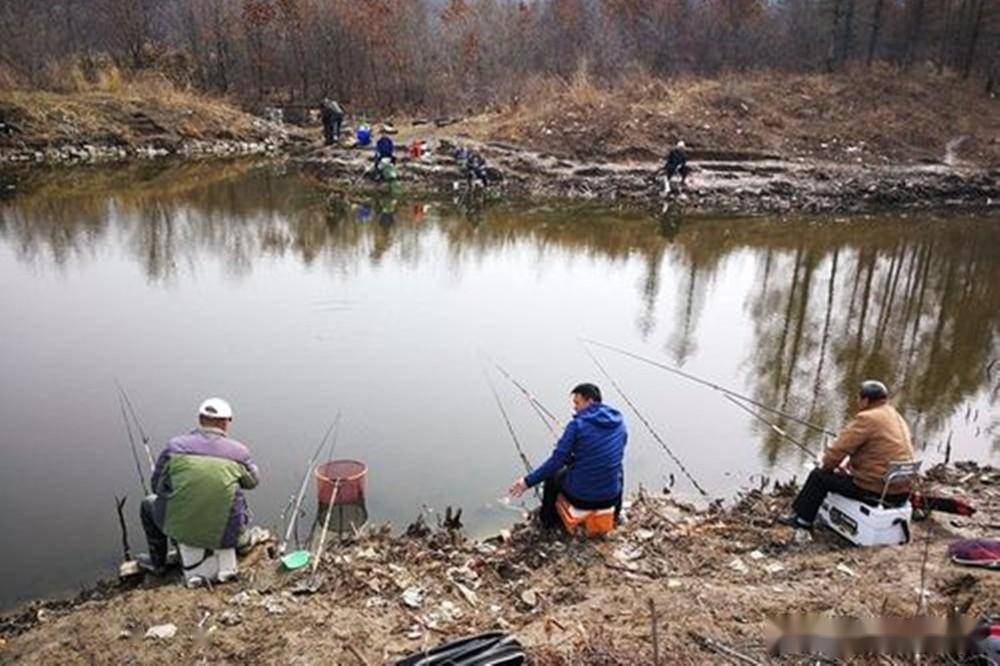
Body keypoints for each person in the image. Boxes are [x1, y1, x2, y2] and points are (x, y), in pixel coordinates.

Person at [138, 398, 260, 574]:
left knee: (148, 504)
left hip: (180, 532)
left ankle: (158, 564)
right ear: (225, 423)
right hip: (227, 536)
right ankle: (244, 542)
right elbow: (253, 482)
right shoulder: (239, 452)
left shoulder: (175, 446)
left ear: (200, 419)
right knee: (236, 496)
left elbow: (156, 487)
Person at [777, 380, 915, 530]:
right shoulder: (895, 416)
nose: (857, 402)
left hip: (877, 491)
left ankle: (802, 521)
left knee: (818, 477)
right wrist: (849, 467)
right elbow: (877, 452)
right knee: (834, 475)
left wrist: (827, 466)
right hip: (901, 492)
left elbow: (838, 450)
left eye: (858, 398)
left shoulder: (867, 418)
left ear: (866, 400)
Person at [508, 383, 627, 529]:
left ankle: (547, 522)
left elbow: (556, 462)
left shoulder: (577, 425)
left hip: (582, 499)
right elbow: (615, 451)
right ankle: (616, 516)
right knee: (618, 469)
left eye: (577, 403)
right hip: (611, 498)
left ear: (589, 401)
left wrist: (527, 482)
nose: (575, 408)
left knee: (552, 476)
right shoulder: (619, 422)